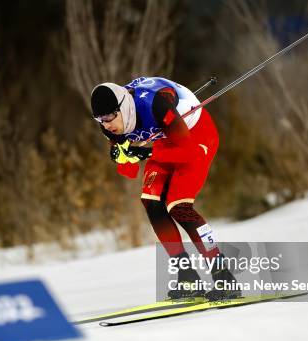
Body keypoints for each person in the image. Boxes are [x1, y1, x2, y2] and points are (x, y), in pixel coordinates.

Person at [90, 77, 240, 301]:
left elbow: (187, 153)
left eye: (110, 116)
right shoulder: (110, 125)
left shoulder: (155, 104)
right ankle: (187, 275)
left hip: (195, 136)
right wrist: (121, 156)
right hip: (164, 139)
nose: (107, 124)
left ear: (123, 107)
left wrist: (145, 153)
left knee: (178, 205)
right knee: (151, 202)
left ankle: (223, 275)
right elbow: (128, 170)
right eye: (100, 119)